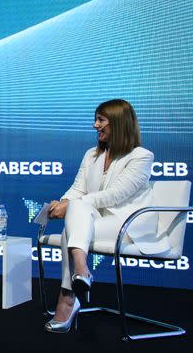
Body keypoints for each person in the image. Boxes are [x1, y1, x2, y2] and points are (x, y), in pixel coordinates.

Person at [45, 99, 160, 333]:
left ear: (118, 123)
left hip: (127, 225)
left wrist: (72, 206)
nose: (95, 125)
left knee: (73, 224)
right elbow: (78, 188)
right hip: (92, 220)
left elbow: (116, 195)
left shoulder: (141, 156)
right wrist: (64, 201)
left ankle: (68, 298)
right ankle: (80, 272)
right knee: (76, 212)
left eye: (101, 120)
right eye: (96, 119)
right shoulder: (91, 155)